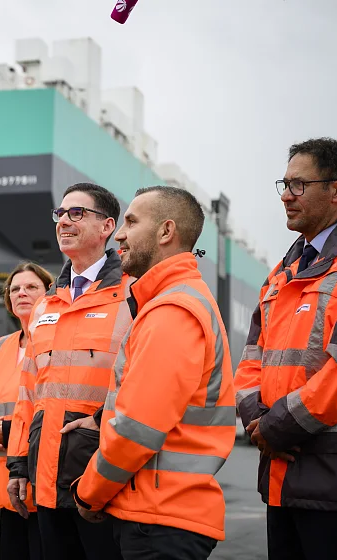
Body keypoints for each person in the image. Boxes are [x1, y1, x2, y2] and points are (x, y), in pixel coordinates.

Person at [72, 186, 235, 560]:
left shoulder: (172, 311)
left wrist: (88, 492)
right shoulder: (172, 302)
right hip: (162, 514)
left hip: (160, 519)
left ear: (165, 232)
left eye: (131, 221)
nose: (120, 234)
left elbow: (136, 430)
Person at [234, 138, 337, 559]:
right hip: (282, 477)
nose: (285, 196)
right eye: (284, 183)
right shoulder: (282, 271)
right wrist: (255, 418)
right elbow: (251, 358)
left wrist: (276, 428)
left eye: (298, 185)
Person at [6, 183, 128, 560]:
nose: (64, 221)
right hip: (45, 478)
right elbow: (28, 392)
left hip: (104, 480)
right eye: (60, 214)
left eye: (77, 213)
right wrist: (17, 464)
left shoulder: (131, 295)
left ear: (107, 226)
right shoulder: (46, 304)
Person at [0, 262, 54, 560]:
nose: (22, 292)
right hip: (10, 482)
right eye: (15, 288)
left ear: (49, 294)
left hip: (47, 481)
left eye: (32, 287)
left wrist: (8, 432)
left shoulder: (59, 344)